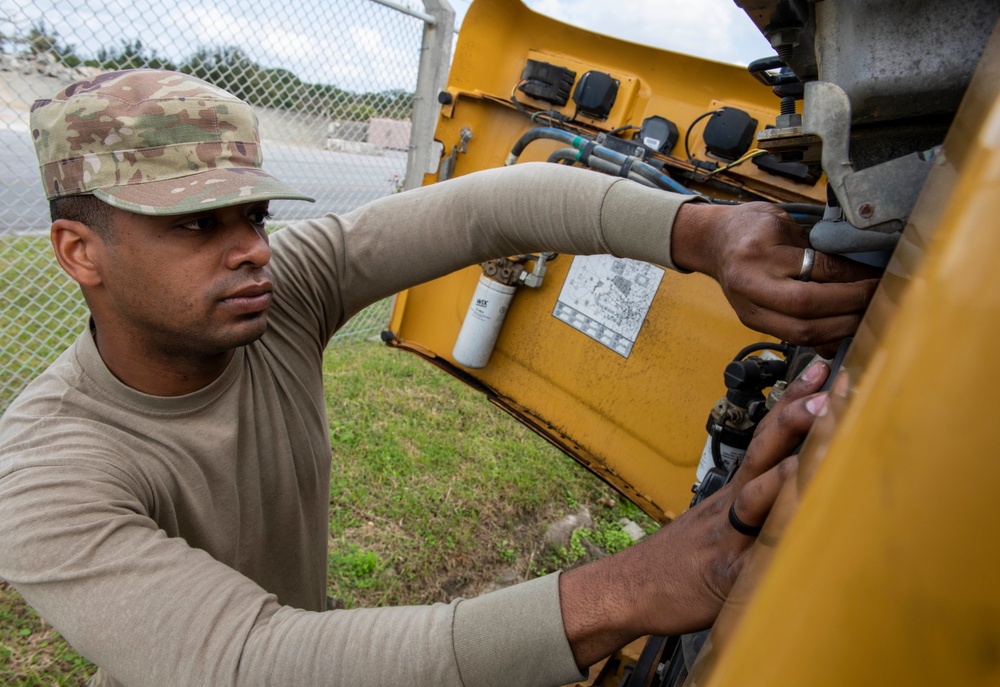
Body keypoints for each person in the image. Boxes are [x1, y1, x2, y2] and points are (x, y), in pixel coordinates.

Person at [0, 70, 875, 687]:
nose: (253, 249)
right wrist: (634, 587)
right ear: (81, 253)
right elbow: (249, 661)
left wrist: (705, 236)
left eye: (255, 214)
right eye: (196, 225)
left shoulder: (272, 292)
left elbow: (489, 205)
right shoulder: (43, 474)